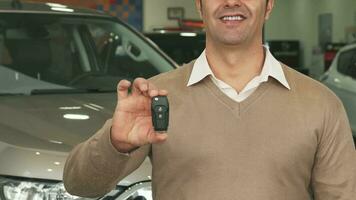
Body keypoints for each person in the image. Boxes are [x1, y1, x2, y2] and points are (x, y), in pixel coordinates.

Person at [63, 0, 356, 199]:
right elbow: (79, 184)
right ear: (200, 6)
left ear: (268, 6)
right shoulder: (155, 97)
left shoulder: (320, 103)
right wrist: (116, 143)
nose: (231, 1)